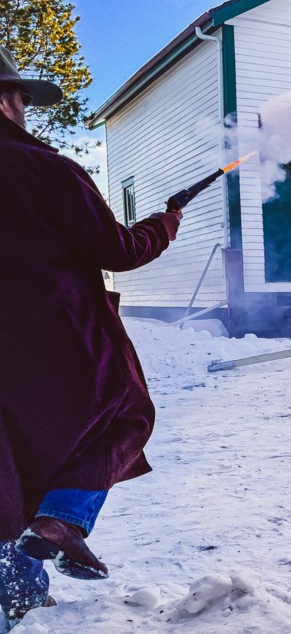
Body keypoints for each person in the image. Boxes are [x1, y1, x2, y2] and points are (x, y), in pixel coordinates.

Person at [0, 47, 182, 620]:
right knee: (125, 413)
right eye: (22, 98)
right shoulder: (47, 170)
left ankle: (18, 593)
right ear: (7, 101)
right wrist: (163, 224)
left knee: (10, 462)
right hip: (55, 337)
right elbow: (117, 250)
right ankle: (60, 521)